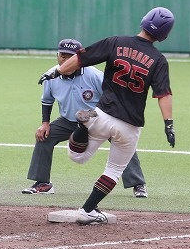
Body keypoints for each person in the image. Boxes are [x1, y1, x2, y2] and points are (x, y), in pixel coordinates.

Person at [38, 7, 176, 225]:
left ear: (143, 21)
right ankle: (88, 210)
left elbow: (81, 58)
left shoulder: (116, 42)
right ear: (164, 35)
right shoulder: (158, 60)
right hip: (129, 126)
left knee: (77, 157)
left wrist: (56, 71)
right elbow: (163, 94)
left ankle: (82, 127)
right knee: (113, 170)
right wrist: (169, 124)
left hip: (101, 115)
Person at [24, 38, 149, 198]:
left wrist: (99, 116)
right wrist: (45, 123)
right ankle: (43, 183)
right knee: (44, 137)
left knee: (122, 138)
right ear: (57, 55)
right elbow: (47, 101)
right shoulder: (51, 75)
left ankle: (138, 184)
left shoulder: (94, 75)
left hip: (98, 120)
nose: (65, 60)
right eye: (62, 56)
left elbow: (111, 97)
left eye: (70, 57)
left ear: (79, 58)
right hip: (68, 121)